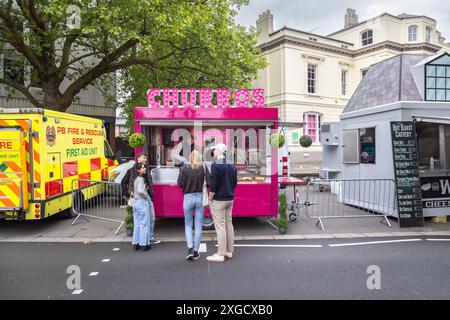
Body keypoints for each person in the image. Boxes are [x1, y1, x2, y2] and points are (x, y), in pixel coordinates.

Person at [206, 143, 237, 263]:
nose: (212, 152)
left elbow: (213, 185)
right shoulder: (231, 164)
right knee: (229, 225)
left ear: (218, 150)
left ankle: (220, 254)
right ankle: (229, 251)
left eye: (213, 150)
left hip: (219, 200)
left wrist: (210, 198)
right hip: (230, 198)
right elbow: (235, 183)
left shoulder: (216, 165)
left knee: (220, 227)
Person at [177, 150, 210, 260]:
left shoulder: (184, 168)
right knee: (198, 225)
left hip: (187, 197)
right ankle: (196, 251)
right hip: (199, 197)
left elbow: (180, 184)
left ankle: (190, 248)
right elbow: (209, 183)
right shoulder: (203, 167)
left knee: (188, 224)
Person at [122, 153, 161, 245]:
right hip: (141, 199)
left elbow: (149, 183)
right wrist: (128, 195)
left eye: (146, 158)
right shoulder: (132, 170)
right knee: (143, 221)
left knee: (150, 219)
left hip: (147, 199)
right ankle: (144, 241)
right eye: (144, 158)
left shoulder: (146, 170)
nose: (145, 160)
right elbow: (123, 182)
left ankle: (147, 238)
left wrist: (151, 195)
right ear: (138, 158)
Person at [130, 163, 152, 251]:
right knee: (144, 223)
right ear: (139, 170)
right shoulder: (140, 179)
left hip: (135, 202)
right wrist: (147, 196)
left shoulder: (134, 179)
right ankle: (144, 244)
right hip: (142, 202)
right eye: (143, 168)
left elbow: (133, 191)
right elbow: (140, 190)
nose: (144, 169)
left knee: (137, 223)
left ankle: (136, 243)